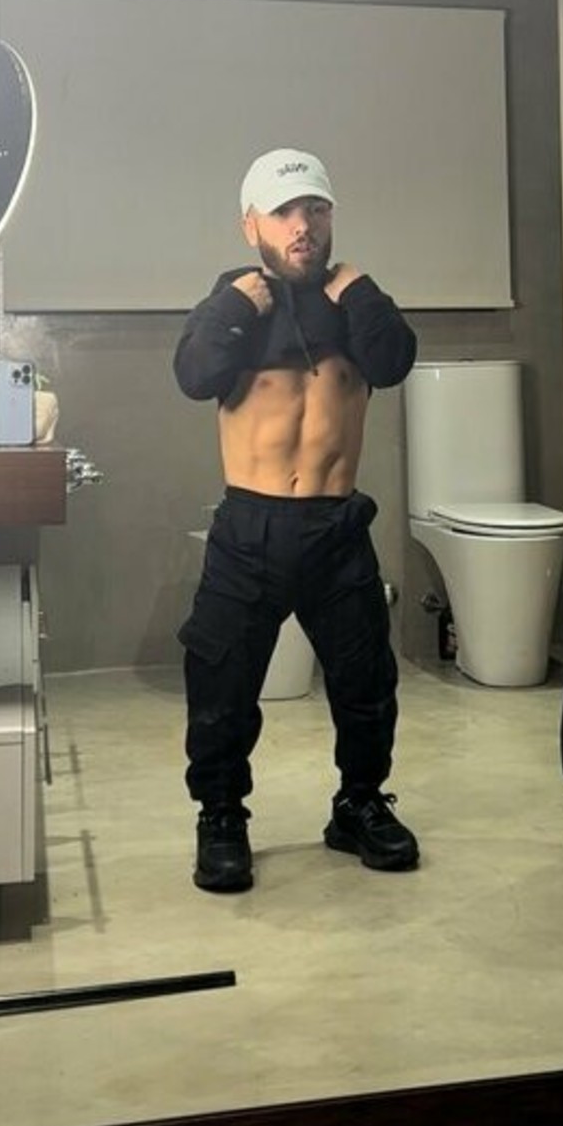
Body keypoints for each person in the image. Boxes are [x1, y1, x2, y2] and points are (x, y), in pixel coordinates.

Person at [173, 146, 420, 893]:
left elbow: (393, 361)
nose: (302, 225)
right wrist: (236, 306)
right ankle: (221, 815)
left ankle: (359, 804)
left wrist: (361, 291)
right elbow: (194, 375)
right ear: (252, 224)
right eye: (283, 212)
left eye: (315, 208)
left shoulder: (356, 302)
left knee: (366, 680)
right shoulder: (233, 304)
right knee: (221, 684)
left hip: (335, 526)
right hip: (249, 529)